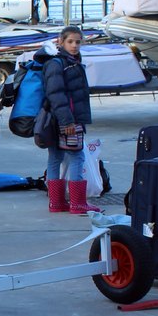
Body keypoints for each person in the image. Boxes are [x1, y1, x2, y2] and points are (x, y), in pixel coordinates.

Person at [37, 26, 99, 214]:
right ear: (61, 42)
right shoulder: (59, 64)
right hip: (67, 120)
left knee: (55, 157)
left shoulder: (68, 62)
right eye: (70, 41)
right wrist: (68, 122)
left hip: (57, 119)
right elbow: (56, 94)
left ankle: (56, 203)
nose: (74, 46)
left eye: (78, 42)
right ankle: (77, 203)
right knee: (77, 156)